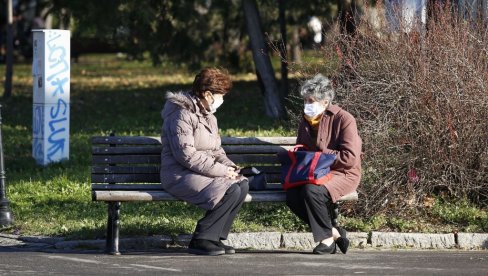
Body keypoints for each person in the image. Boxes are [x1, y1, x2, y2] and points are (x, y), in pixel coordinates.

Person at [160, 68, 249, 256]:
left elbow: (216, 150)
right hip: (179, 173)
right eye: (221, 95)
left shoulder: (209, 116)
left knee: (242, 184)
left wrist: (230, 167)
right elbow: (186, 155)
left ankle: (214, 238)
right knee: (230, 189)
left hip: (199, 171)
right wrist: (222, 172)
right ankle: (201, 239)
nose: (222, 100)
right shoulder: (181, 115)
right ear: (208, 94)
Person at [286, 74, 362, 254]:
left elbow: (349, 158)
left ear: (325, 102)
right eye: (305, 100)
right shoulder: (306, 120)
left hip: (343, 173)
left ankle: (326, 241)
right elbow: (302, 149)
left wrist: (321, 154)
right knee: (292, 195)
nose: (306, 105)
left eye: (311, 101)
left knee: (311, 191)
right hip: (314, 173)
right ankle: (335, 232)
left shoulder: (345, 119)